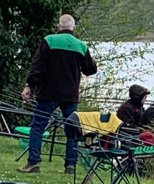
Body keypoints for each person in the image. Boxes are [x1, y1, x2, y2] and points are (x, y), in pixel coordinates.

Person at [18, 14, 98, 174]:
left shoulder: (49, 40)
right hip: (70, 95)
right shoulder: (81, 45)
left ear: (58, 26)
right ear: (73, 28)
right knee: (72, 129)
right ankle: (70, 165)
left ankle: (33, 162)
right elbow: (91, 70)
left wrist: (29, 86)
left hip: (48, 93)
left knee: (38, 127)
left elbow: (37, 67)